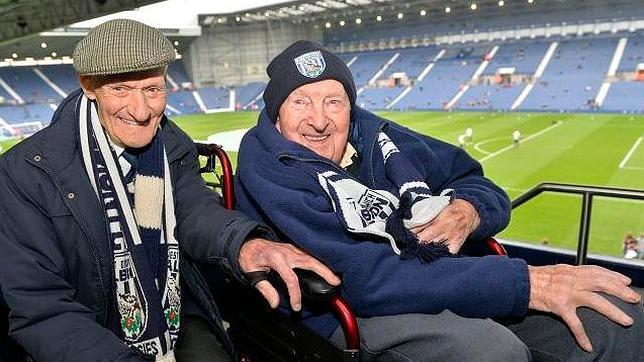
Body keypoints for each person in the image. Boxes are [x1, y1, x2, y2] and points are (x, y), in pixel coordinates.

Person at [235, 40, 643, 361]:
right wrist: (528, 282)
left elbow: (476, 181)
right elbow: (368, 280)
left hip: (444, 279)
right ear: (276, 114)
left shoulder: (381, 138)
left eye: (334, 101)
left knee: (619, 319)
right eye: (301, 101)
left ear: (350, 108)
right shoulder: (270, 166)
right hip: (355, 310)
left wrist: (466, 212)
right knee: (488, 352)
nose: (320, 119)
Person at [0, 21, 339, 362]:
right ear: (88, 85)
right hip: (88, 334)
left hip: (175, 316)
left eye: (152, 89)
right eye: (120, 89)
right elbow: (43, 309)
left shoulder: (171, 144)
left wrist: (243, 244)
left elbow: (193, 210)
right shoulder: (28, 173)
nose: (142, 110)